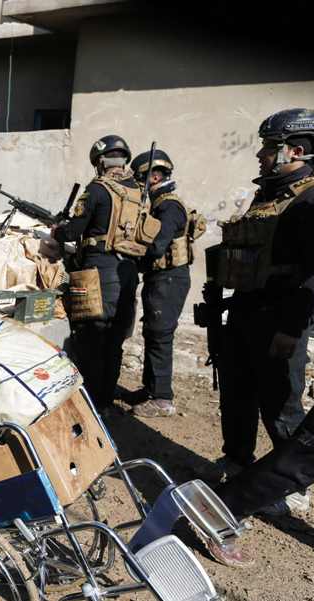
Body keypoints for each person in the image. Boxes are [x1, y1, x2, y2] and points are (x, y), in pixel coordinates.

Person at [209, 109, 314, 511]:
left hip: (281, 318)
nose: (261, 155)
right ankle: (237, 460)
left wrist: (291, 328)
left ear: (296, 150)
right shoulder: (269, 194)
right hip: (247, 310)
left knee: (281, 403)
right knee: (237, 392)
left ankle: (289, 485)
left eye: (270, 146)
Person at [50, 135, 150, 415]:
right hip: (128, 272)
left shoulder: (97, 190)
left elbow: (72, 231)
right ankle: (105, 398)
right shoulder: (139, 192)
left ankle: (91, 401)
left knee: (92, 336)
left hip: (100, 271)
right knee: (115, 338)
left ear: (100, 162)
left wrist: (59, 228)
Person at [129, 149, 193, 417]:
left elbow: (157, 247)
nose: (138, 185)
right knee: (153, 333)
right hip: (162, 278)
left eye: (140, 179)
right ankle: (151, 389)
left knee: (160, 337)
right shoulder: (161, 204)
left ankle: (162, 399)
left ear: (154, 177)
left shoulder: (168, 206)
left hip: (169, 279)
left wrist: (130, 254)